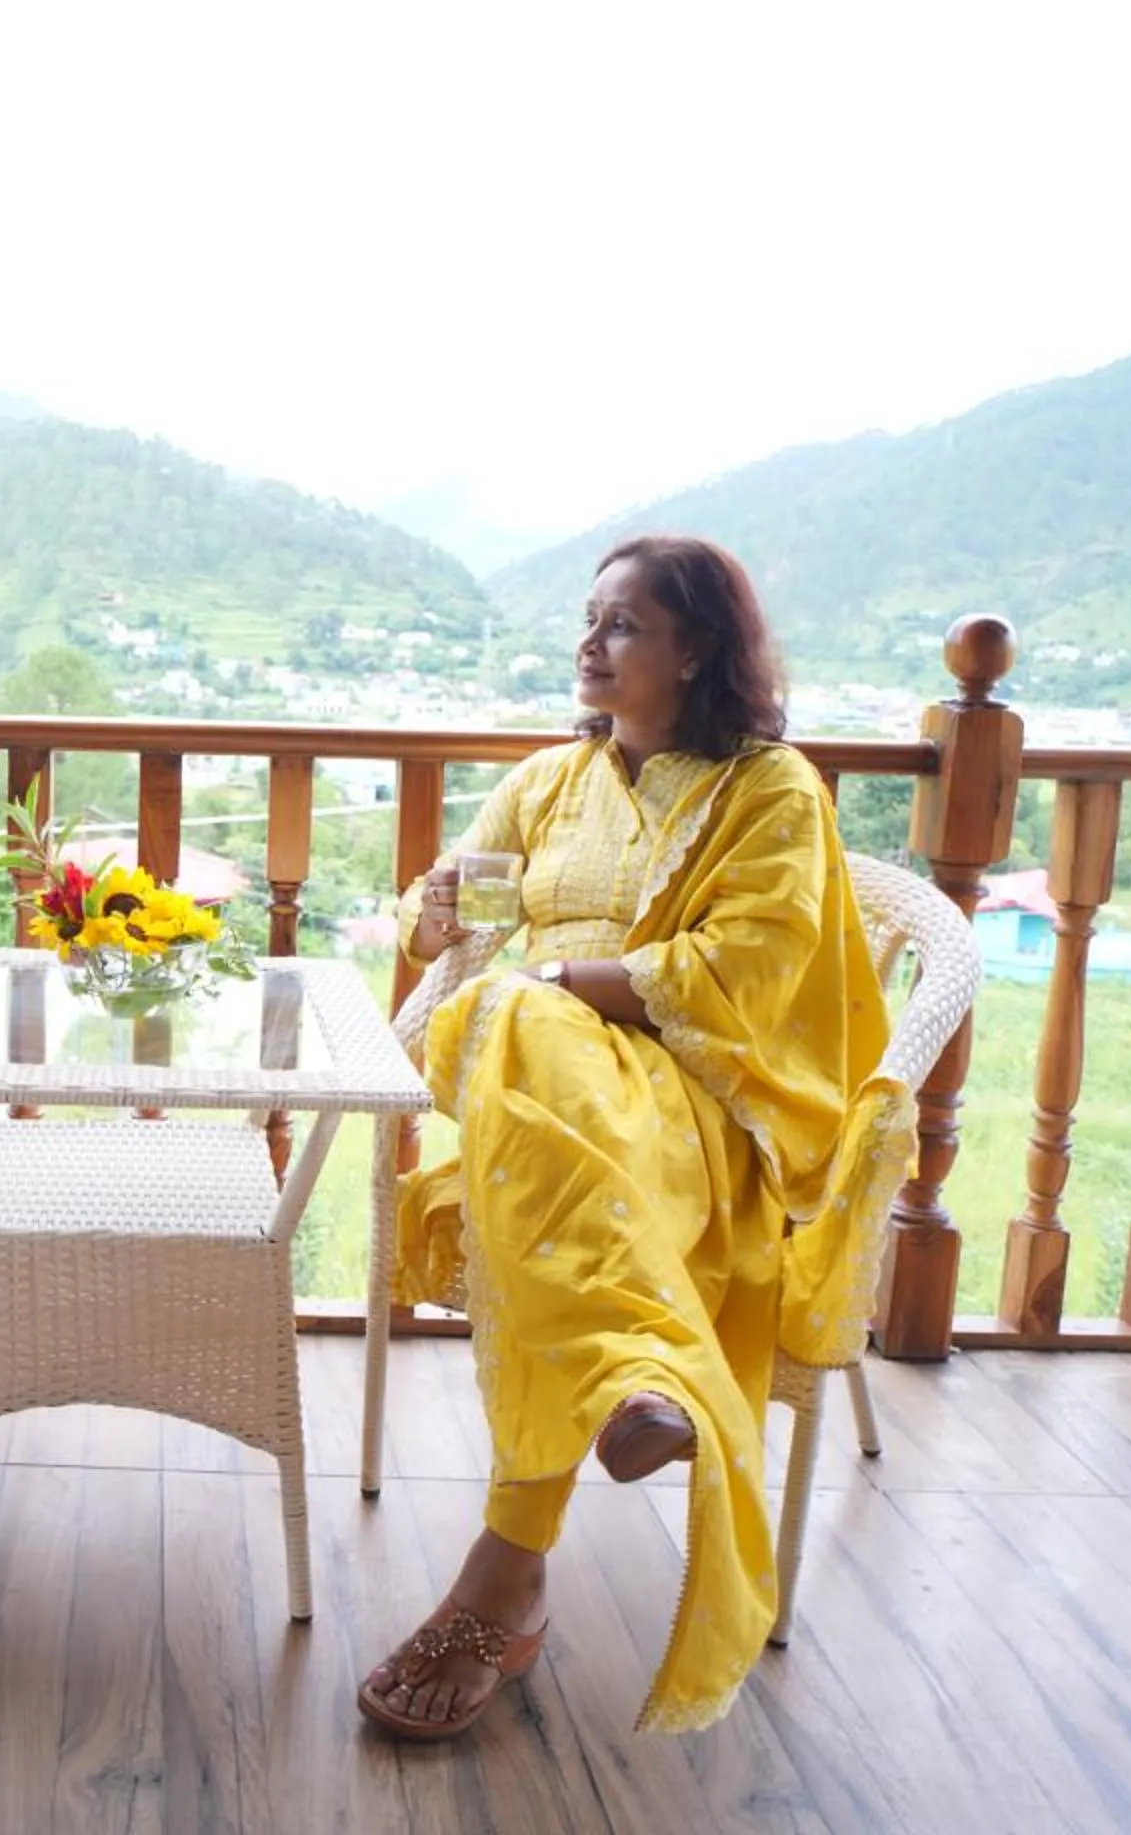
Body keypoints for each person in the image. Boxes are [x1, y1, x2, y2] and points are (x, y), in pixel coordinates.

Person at [357, 533, 909, 1740]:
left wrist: (554, 979)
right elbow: (447, 909)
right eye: (590, 620)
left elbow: (749, 965)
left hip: (693, 1099)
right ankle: (626, 1375)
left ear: (697, 648)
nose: (589, 644)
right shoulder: (551, 780)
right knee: (511, 1016)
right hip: (529, 1078)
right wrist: (429, 909)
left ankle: (508, 1571)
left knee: (519, 1029)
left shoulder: (770, 790)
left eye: (621, 626)